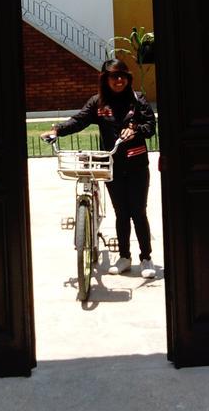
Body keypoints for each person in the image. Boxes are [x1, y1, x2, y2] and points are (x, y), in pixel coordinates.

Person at [42, 59, 158, 279]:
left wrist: (135, 132)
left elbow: (151, 127)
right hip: (112, 165)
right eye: (114, 77)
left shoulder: (137, 99)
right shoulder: (98, 103)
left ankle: (146, 258)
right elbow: (79, 120)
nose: (119, 80)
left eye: (123, 76)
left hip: (137, 165)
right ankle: (124, 257)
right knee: (121, 212)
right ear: (105, 79)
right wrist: (57, 130)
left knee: (138, 211)